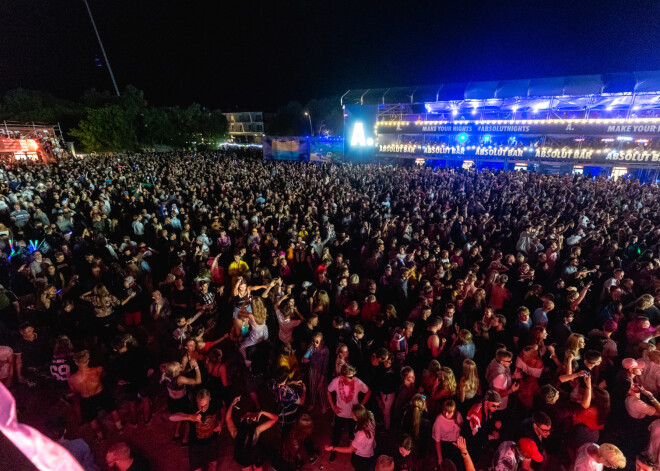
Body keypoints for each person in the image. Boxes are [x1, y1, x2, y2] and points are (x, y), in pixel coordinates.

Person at [68, 350, 123, 441]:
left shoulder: (71, 379)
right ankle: (120, 428)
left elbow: (75, 390)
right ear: (88, 360)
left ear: (76, 362)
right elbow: (105, 377)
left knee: (92, 419)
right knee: (112, 409)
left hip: (86, 399)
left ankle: (100, 437)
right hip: (101, 393)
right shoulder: (98, 369)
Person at [169, 389, 222, 471]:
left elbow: (223, 406)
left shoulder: (215, 404)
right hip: (196, 446)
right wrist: (190, 417)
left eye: (206, 405)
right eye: (200, 406)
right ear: (196, 401)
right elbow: (172, 417)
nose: (203, 409)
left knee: (213, 465)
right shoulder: (191, 409)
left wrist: (221, 422)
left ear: (210, 400)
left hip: (212, 443)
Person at [327, 364, 371, 462]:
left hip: (353, 416)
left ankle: (354, 454)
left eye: (353, 376)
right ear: (342, 376)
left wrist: (361, 406)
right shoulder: (336, 381)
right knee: (336, 434)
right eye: (350, 377)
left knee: (353, 434)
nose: (353, 378)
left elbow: (368, 392)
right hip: (340, 414)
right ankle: (333, 451)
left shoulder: (357, 382)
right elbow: (328, 391)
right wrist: (333, 407)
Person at [226, 395, 278, 471]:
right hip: (250, 458)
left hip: (250, 458)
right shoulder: (255, 431)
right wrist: (262, 413)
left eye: (251, 416)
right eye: (248, 416)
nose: (249, 417)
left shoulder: (238, 433)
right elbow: (275, 418)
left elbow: (228, 419)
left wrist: (231, 405)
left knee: (256, 466)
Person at [325, 404, 376, 471]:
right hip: (368, 449)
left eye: (352, 414)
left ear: (357, 417)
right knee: (354, 462)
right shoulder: (369, 415)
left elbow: (350, 449)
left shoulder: (361, 434)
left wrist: (333, 448)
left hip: (363, 456)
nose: (351, 414)